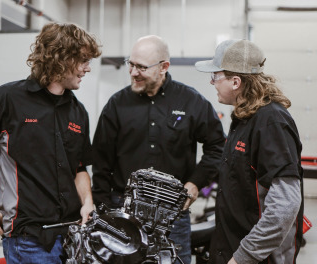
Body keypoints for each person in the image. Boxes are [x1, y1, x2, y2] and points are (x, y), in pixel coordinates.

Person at [0, 22, 101, 263]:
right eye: (83, 60)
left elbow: (79, 167)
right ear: (62, 58)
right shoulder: (7, 100)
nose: (87, 69)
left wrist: (88, 202)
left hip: (73, 237)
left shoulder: (78, 111)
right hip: (28, 240)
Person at [92, 35, 225, 264]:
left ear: (164, 67)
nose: (133, 72)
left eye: (141, 67)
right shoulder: (117, 105)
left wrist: (195, 183)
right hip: (125, 214)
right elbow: (101, 163)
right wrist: (106, 214)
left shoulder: (191, 101)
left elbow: (218, 146)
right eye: (131, 64)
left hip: (172, 216)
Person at [195, 39, 304, 264]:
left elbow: (284, 205)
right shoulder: (244, 118)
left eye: (216, 76)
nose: (212, 82)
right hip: (232, 249)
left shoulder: (271, 122)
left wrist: (243, 257)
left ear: (236, 82)